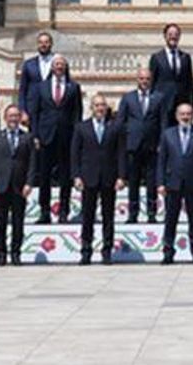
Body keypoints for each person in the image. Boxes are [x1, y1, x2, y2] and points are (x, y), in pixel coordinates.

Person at [71, 94, 125, 265]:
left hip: (109, 177)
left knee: (108, 216)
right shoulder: (81, 128)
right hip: (88, 178)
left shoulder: (115, 127)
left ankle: (107, 250)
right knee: (87, 216)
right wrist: (76, 176)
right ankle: (86, 250)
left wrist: (121, 176)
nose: (100, 108)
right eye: (97, 105)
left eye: (102, 105)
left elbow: (121, 154)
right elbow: (75, 154)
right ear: (91, 108)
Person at [157, 103, 193, 264]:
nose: (185, 117)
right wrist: (160, 182)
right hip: (172, 183)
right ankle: (168, 252)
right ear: (176, 116)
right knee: (170, 219)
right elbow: (161, 160)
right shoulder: (168, 134)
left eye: (188, 114)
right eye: (182, 114)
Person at [29, 55, 82, 224]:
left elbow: (77, 114)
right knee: (44, 176)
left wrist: (76, 136)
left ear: (66, 67)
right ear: (52, 68)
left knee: (65, 176)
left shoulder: (73, 87)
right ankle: (44, 212)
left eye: (62, 64)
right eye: (56, 64)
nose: (59, 67)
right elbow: (35, 113)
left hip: (66, 137)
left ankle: (64, 211)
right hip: (45, 136)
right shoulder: (41, 87)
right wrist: (35, 135)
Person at [0, 104, 33, 266]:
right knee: (0, 222)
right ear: (5, 118)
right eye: (10, 116)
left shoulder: (27, 137)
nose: (13, 119)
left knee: (18, 222)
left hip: (19, 186)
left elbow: (32, 163)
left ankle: (16, 253)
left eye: (16, 116)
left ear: (20, 118)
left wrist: (29, 183)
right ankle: (1, 253)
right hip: (1, 186)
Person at [118, 66, 167, 224]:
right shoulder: (128, 98)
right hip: (133, 145)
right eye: (141, 78)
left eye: (147, 79)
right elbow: (121, 121)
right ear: (137, 79)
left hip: (152, 145)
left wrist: (162, 142)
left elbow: (163, 122)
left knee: (151, 181)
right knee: (133, 181)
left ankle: (151, 213)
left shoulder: (159, 97)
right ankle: (133, 213)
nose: (144, 81)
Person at [149, 23, 193, 111]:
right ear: (165, 36)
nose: (173, 37)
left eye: (176, 34)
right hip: (162, 104)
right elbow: (152, 82)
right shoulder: (157, 58)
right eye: (170, 34)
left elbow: (190, 83)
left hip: (181, 104)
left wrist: (192, 104)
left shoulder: (185, 57)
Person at [18, 31, 57, 122]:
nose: (43, 45)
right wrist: (23, 111)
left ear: (51, 44)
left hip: (51, 109)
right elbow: (23, 89)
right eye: (40, 42)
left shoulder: (58, 63)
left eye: (46, 42)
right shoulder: (29, 64)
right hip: (33, 110)